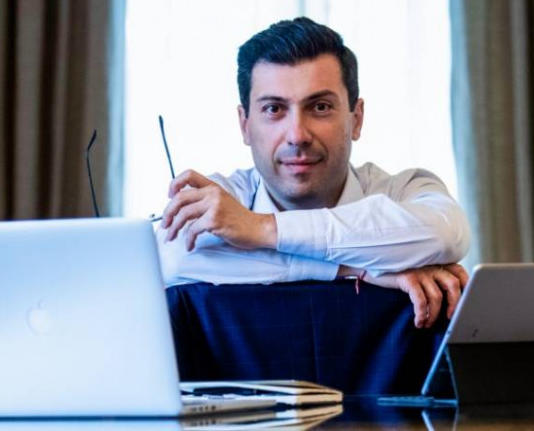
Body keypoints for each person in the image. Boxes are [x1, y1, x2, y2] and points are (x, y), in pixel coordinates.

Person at [156, 17, 471, 329]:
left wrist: (260, 228)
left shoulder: (405, 190)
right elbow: (173, 257)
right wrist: (359, 267)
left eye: (320, 107)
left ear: (356, 119)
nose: (297, 135)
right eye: (274, 109)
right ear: (245, 125)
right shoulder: (223, 199)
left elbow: (446, 234)